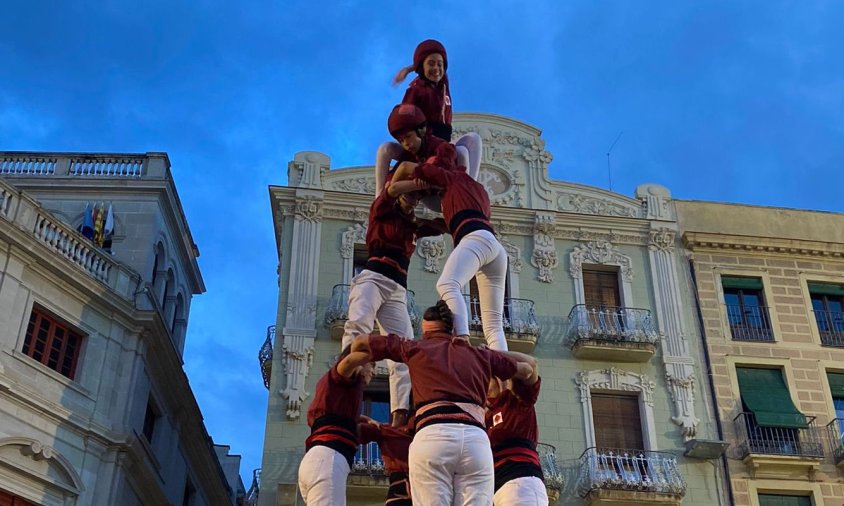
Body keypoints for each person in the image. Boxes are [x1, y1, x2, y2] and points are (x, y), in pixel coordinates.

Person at [352, 301, 534, 505]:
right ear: (453, 329)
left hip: (432, 436)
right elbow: (528, 368)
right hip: (476, 441)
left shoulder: (413, 347)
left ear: (425, 329)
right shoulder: (479, 355)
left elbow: (360, 342)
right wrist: (488, 354)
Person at [340, 174, 446, 427]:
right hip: (374, 278)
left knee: (404, 349)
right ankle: (343, 386)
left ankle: (399, 414)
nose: (412, 199)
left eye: (417, 197)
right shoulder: (383, 209)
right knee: (358, 327)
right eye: (409, 194)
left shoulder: (414, 226)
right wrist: (423, 181)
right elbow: (393, 189)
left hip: (398, 288)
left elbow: (445, 224)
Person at [397, 142, 509, 350]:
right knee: (493, 325)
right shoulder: (476, 187)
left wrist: (402, 184)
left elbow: (406, 167)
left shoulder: (449, 177)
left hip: (475, 239)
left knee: (446, 285)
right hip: (494, 247)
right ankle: (503, 375)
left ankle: (462, 337)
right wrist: (423, 224)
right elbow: (454, 223)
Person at [392, 39, 482, 180]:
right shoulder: (416, 90)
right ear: (422, 66)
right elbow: (405, 120)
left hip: (444, 142)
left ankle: (471, 184)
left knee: (473, 139)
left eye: (440, 64)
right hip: (428, 143)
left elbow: (434, 65)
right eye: (431, 64)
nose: (437, 68)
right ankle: (462, 184)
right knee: (461, 152)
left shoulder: (442, 84)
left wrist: (408, 69)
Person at [297, 347, 375, 505]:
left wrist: (360, 420)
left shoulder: (334, 391)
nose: (374, 371)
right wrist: (381, 347)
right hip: (328, 461)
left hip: (317, 462)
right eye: (372, 364)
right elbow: (347, 363)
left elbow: (333, 416)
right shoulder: (342, 375)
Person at [486, 354, 548, 505]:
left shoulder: (517, 399)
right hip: (494, 491)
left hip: (521, 482)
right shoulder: (482, 416)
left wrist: (491, 353)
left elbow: (531, 364)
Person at [358, 416, 414, 505]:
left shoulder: (387, 431)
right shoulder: (387, 431)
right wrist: (369, 420)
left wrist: (368, 420)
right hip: (418, 488)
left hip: (401, 489)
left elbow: (349, 420)